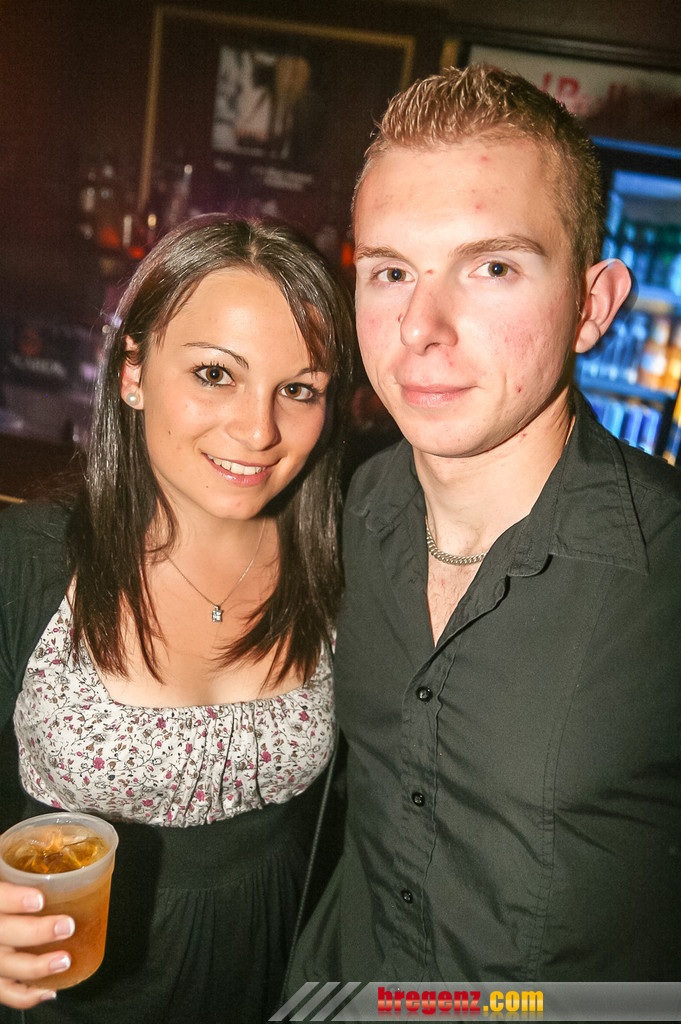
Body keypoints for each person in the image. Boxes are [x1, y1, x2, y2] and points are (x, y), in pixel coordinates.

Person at [286, 63, 681, 989]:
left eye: (492, 267)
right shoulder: (345, 509)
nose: (420, 326)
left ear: (590, 306)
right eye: (391, 272)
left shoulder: (665, 581)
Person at [0, 214, 354, 1022]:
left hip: (271, 985)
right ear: (132, 372)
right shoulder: (32, 559)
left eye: (298, 389)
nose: (258, 430)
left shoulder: (343, 571)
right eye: (214, 373)